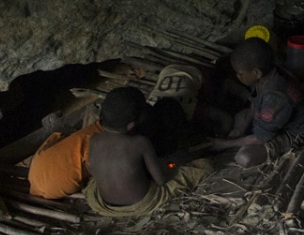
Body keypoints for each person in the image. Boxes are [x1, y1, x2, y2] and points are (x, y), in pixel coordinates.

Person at [84, 87, 212, 217]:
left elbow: (94, 170)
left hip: (104, 204)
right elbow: (161, 180)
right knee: (205, 166)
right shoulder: (140, 142)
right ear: (131, 125)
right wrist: (172, 163)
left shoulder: (94, 139)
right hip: (141, 204)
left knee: (99, 180)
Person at [211, 37, 304, 166]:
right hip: (272, 120)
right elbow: (255, 102)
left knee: (244, 157)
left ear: (256, 72)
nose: (238, 76)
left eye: (240, 73)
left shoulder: (275, 98)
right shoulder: (265, 75)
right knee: (240, 118)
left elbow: (261, 138)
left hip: (292, 132)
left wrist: (224, 144)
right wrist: (240, 130)